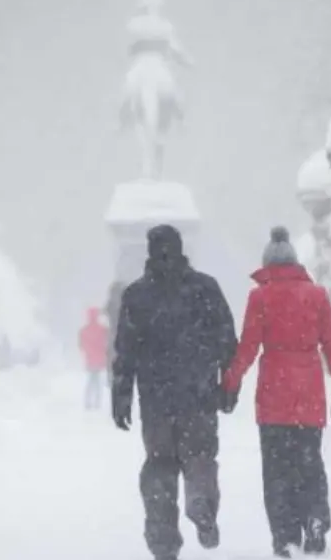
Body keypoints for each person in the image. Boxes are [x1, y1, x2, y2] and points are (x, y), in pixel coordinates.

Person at [221, 226, 331, 558]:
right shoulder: (317, 295)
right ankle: (316, 519)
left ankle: (285, 536)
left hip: (274, 395)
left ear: (268, 265)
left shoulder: (260, 297)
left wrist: (231, 383)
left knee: (277, 469)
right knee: (310, 463)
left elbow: (248, 346)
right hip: (309, 391)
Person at [111, 224, 238, 560]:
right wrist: (229, 385)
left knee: (160, 466)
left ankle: (163, 540)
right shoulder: (206, 289)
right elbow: (228, 342)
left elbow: (126, 352)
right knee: (200, 457)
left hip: (156, 401)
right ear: (182, 249)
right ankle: (201, 502)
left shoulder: (136, 296)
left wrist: (121, 395)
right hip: (199, 395)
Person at [79, 307, 109, 410]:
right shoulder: (103, 329)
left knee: (91, 380)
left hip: (90, 359)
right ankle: (97, 402)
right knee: (97, 381)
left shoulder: (84, 330)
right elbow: (106, 343)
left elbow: (81, 345)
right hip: (100, 359)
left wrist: (88, 352)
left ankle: (88, 402)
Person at [104, 280, 126, 387]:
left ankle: (112, 378)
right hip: (124, 334)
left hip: (113, 334)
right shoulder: (127, 303)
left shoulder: (110, 304)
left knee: (112, 356)